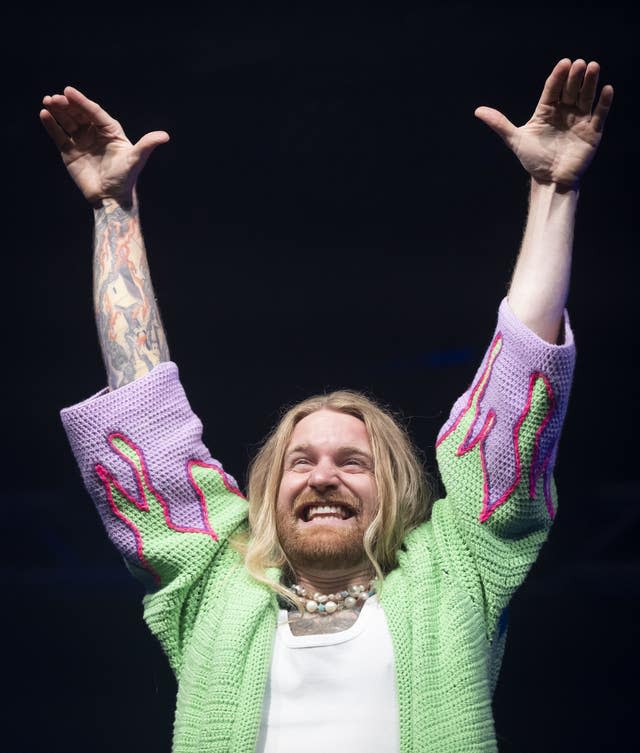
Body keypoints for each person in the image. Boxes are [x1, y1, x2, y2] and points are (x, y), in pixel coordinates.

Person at [41, 58, 612, 753]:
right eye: (300, 461)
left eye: (353, 461)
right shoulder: (214, 580)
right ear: (269, 493)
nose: (321, 476)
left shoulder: (456, 569)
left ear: (396, 490)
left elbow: (515, 401)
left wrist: (554, 192)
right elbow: (142, 412)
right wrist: (112, 210)